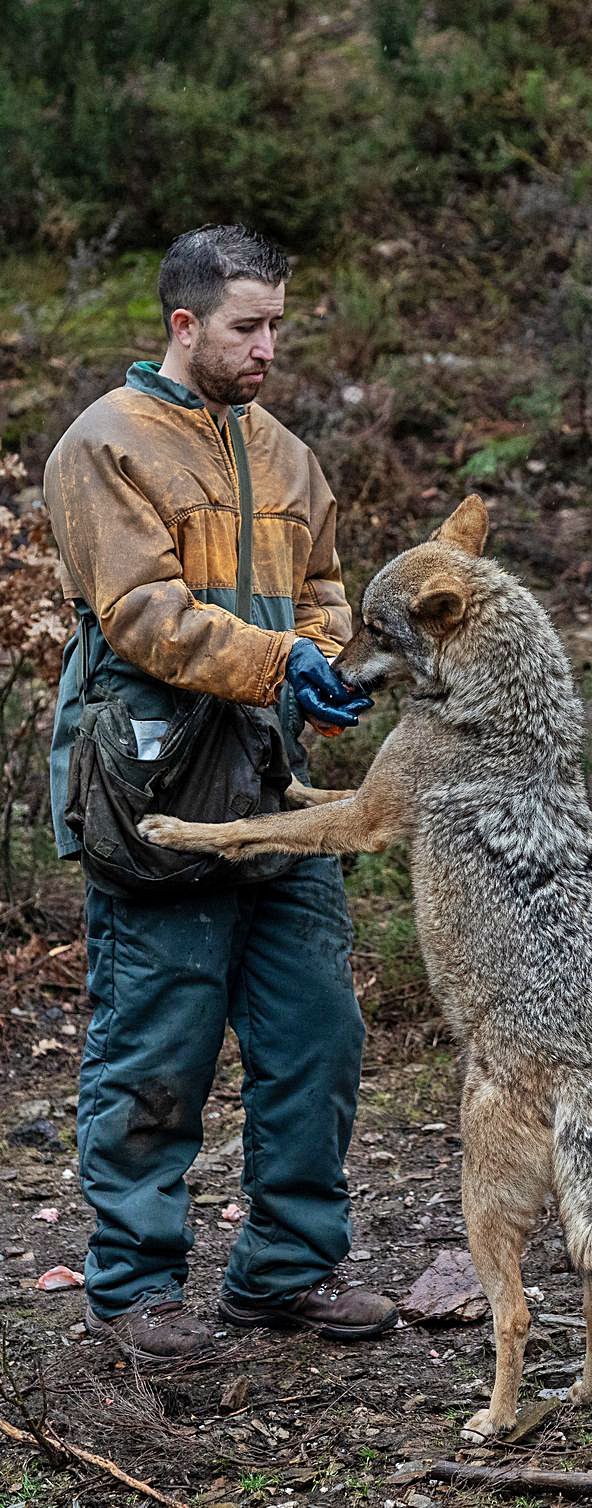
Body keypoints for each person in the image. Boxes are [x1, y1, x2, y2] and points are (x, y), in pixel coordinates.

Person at [43, 223, 398, 1363]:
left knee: (317, 1033)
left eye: (278, 326)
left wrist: (327, 663)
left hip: (277, 784)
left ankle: (288, 1269)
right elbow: (141, 612)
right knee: (159, 1041)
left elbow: (328, 585)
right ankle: (135, 1290)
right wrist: (271, 656)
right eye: (248, 326)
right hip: (153, 782)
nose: (267, 348)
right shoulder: (107, 443)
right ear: (185, 323)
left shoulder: (288, 452)